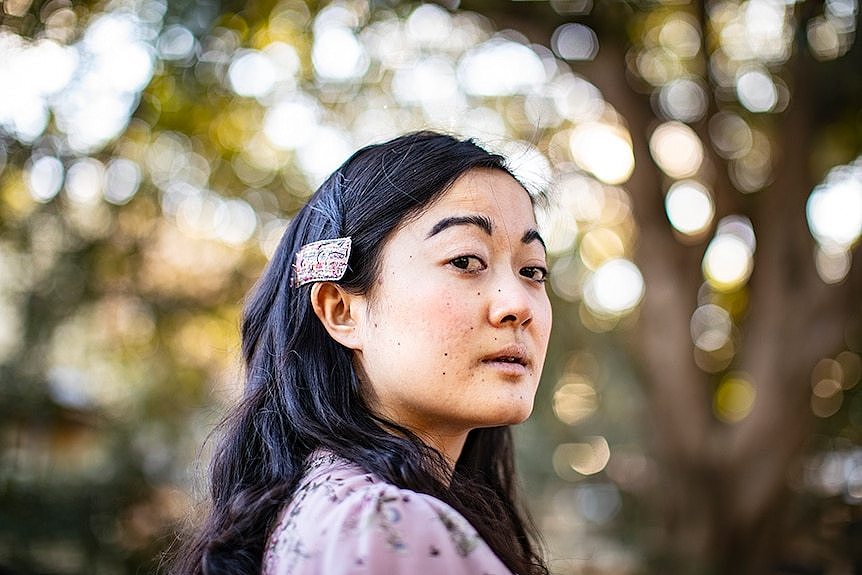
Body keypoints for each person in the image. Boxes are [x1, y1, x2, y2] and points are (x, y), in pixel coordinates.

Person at [173, 131, 553, 575]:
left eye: (533, 270)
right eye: (465, 261)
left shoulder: (326, 511)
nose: (518, 305)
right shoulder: (391, 530)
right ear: (341, 310)